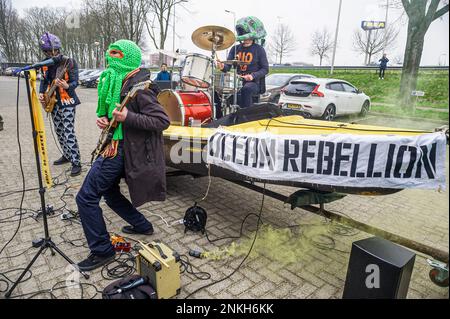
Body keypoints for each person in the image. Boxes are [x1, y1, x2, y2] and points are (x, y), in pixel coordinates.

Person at [75, 40, 170, 271]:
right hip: (116, 144)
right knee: (109, 193)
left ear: (128, 58)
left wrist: (128, 117)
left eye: (116, 55)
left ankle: (102, 250)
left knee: (85, 198)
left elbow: (162, 121)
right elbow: (117, 116)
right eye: (110, 54)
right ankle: (143, 225)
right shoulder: (122, 81)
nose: (110, 58)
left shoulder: (141, 88)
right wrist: (106, 121)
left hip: (121, 151)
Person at [38, 32, 82, 176]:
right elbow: (44, 80)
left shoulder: (69, 62)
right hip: (53, 102)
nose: (53, 53)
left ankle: (76, 162)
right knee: (59, 130)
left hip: (67, 101)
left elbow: (76, 82)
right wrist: (42, 92)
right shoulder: (44, 64)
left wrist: (67, 86)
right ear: (44, 51)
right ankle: (66, 155)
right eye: (49, 51)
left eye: (55, 50)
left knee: (68, 131)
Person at [216, 16, 269, 109]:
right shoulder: (235, 48)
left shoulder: (259, 49)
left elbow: (265, 69)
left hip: (253, 83)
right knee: (218, 91)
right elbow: (228, 67)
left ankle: (246, 116)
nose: (245, 39)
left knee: (247, 89)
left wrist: (252, 76)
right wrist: (222, 66)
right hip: (237, 82)